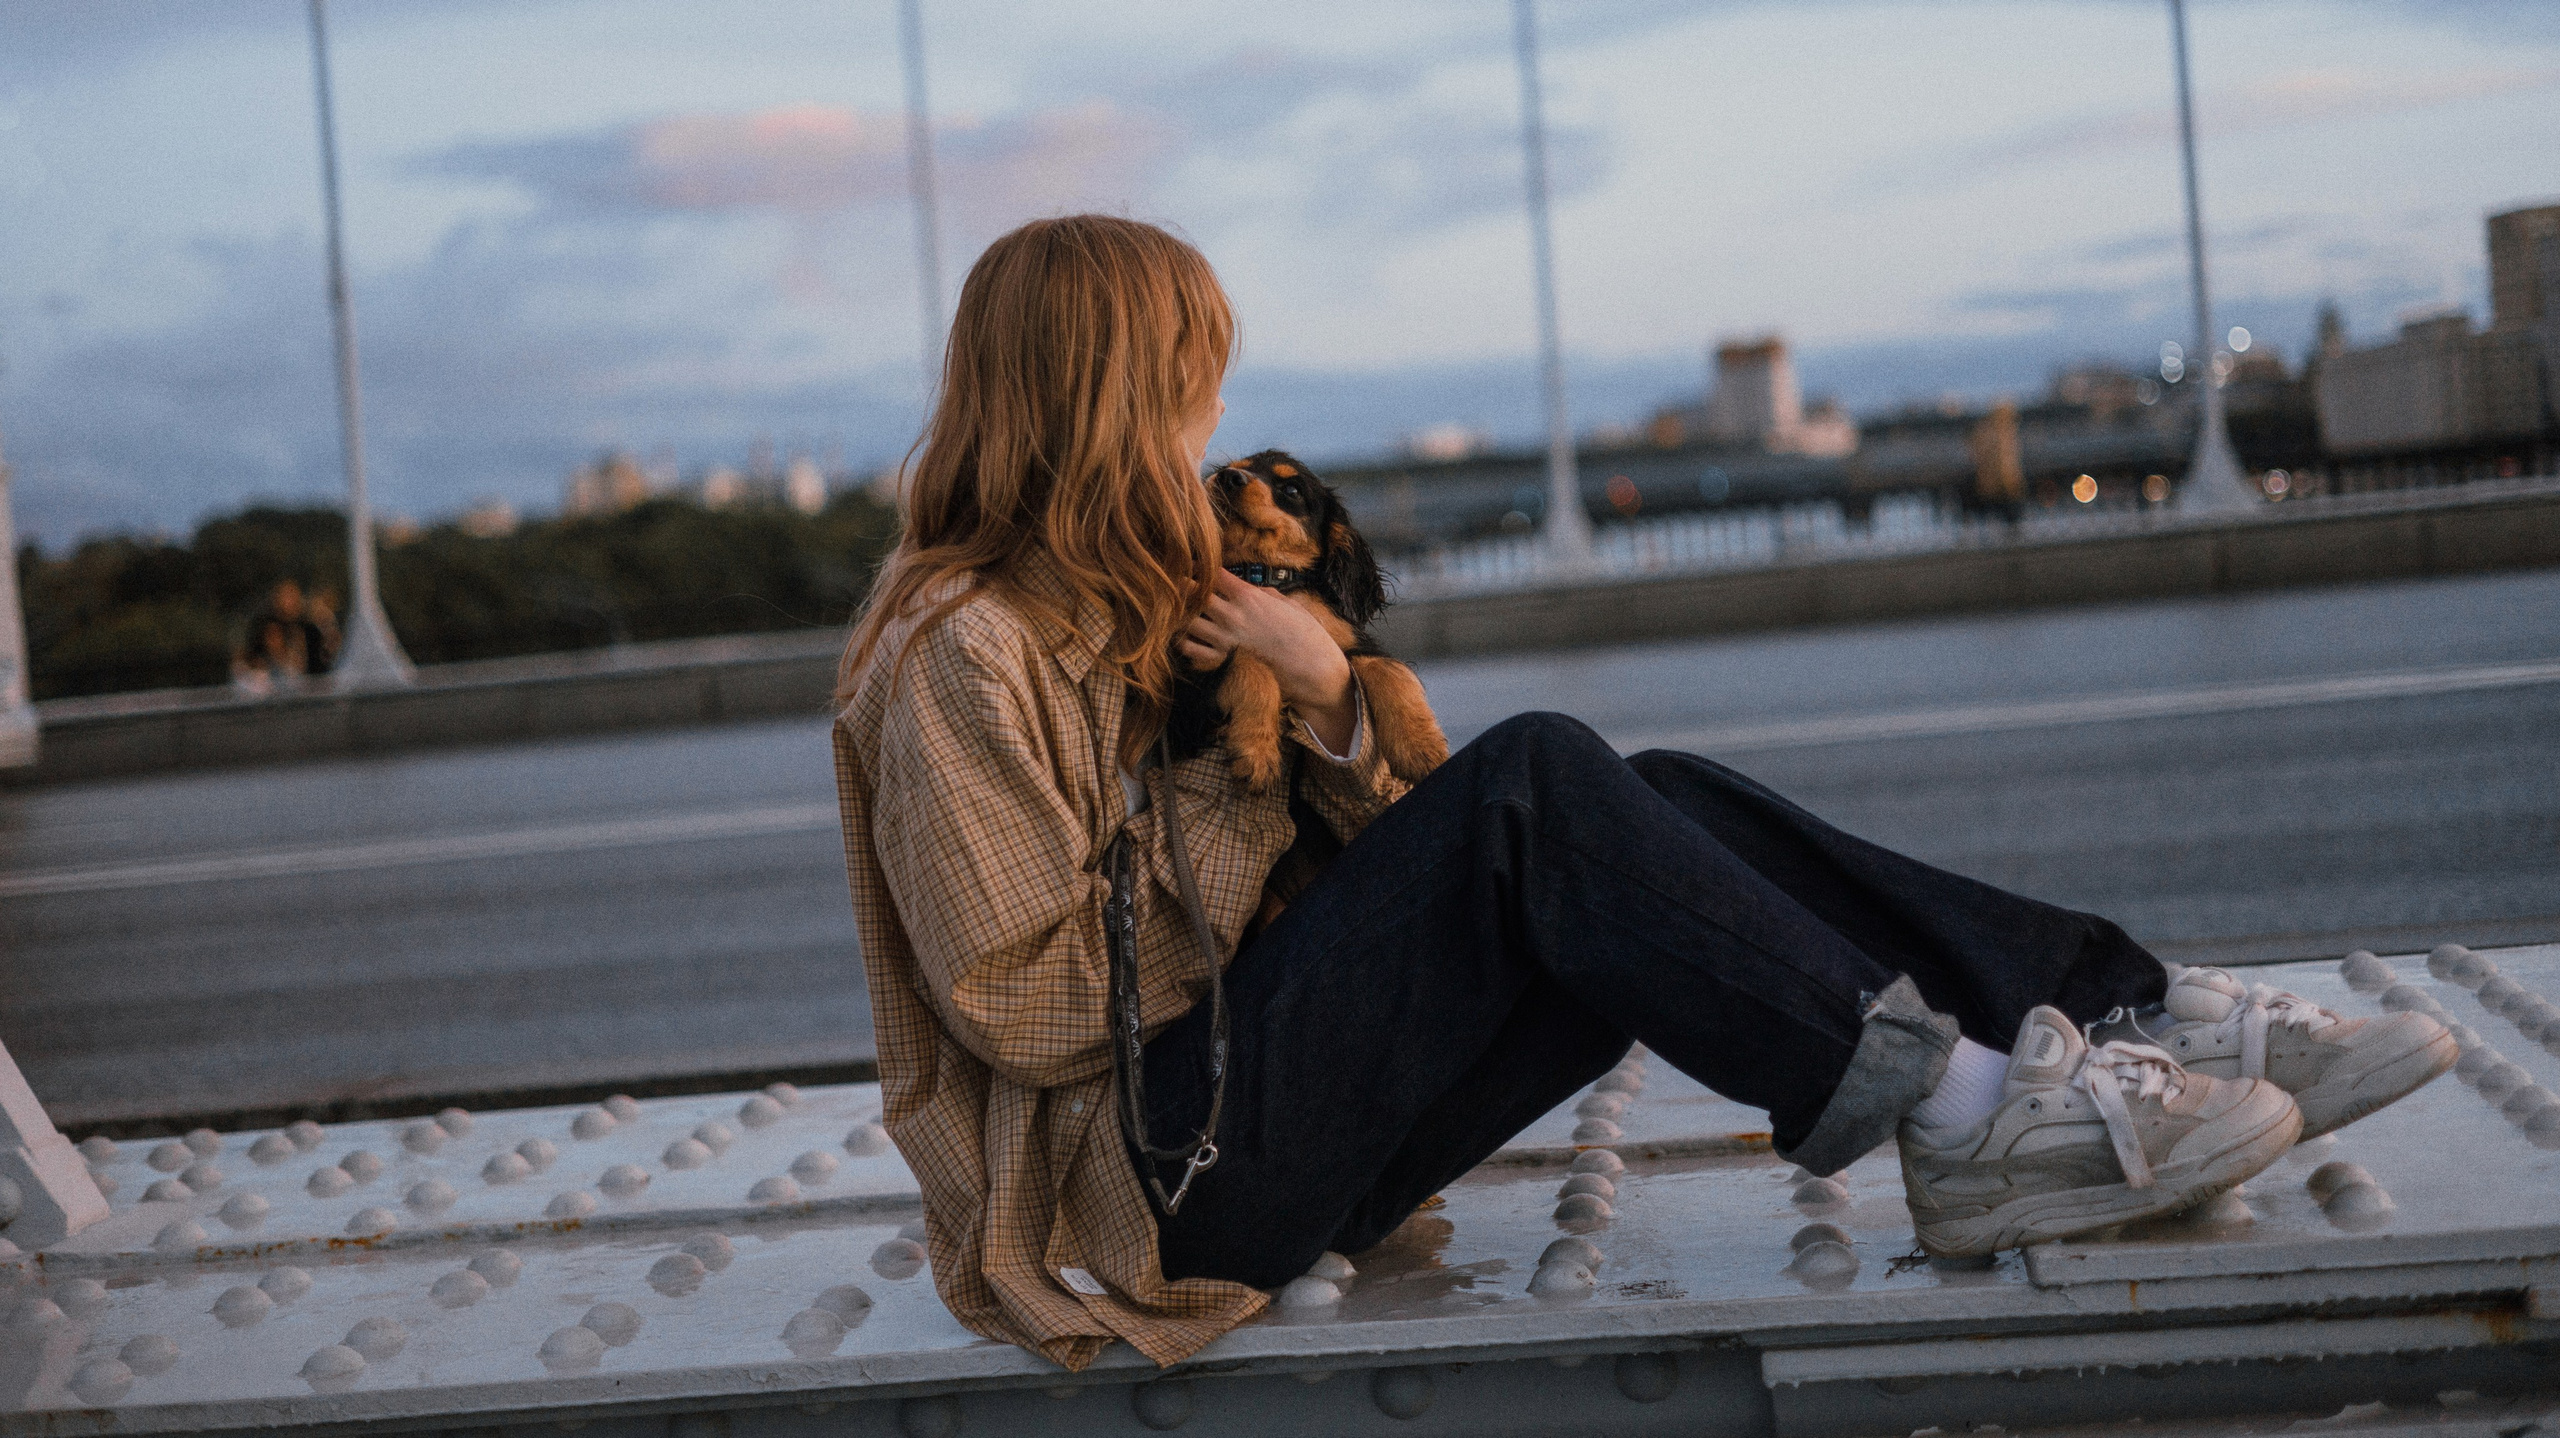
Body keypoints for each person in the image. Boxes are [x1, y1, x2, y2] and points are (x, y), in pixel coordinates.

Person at [829, 216, 2455, 1374]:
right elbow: (1031, 1007)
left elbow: (1398, 866)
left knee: (1640, 804)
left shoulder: (1135, 600)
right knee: (1541, 783)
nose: (1209, 429)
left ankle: (2125, 1011)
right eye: (1190, 387)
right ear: (1107, 394)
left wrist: (1325, 697)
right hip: (1152, 1197)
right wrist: (1253, 787)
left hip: (1253, 1124)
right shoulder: (958, 650)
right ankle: (1968, 1120)